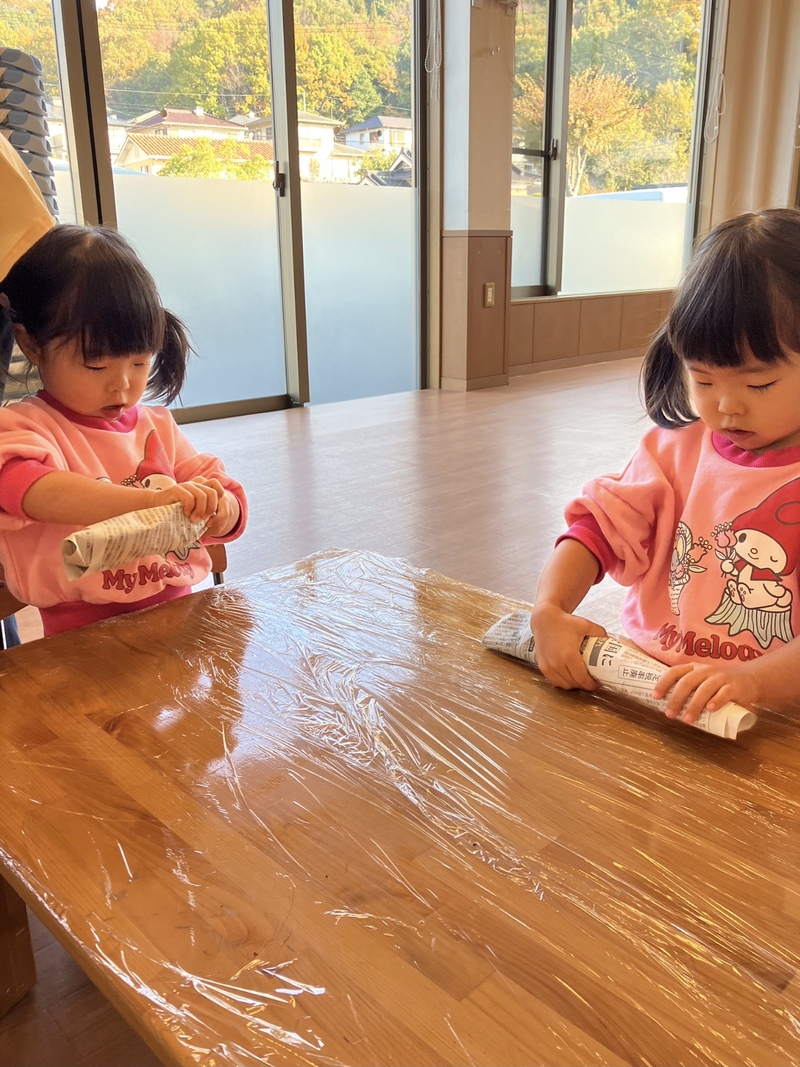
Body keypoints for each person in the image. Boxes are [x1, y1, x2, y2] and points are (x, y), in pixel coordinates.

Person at [531, 207, 800, 726]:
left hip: (774, 718)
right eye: (704, 380)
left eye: (758, 383)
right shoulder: (672, 452)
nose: (727, 406)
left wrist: (751, 682)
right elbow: (595, 532)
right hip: (651, 689)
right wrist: (551, 609)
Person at [0, 224, 247, 637]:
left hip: (182, 620)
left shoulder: (157, 426)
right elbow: (31, 491)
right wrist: (149, 503)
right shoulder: (24, 428)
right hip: (81, 642)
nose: (122, 385)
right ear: (31, 345)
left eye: (139, 362)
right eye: (96, 365)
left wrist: (221, 510)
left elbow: (223, 490)